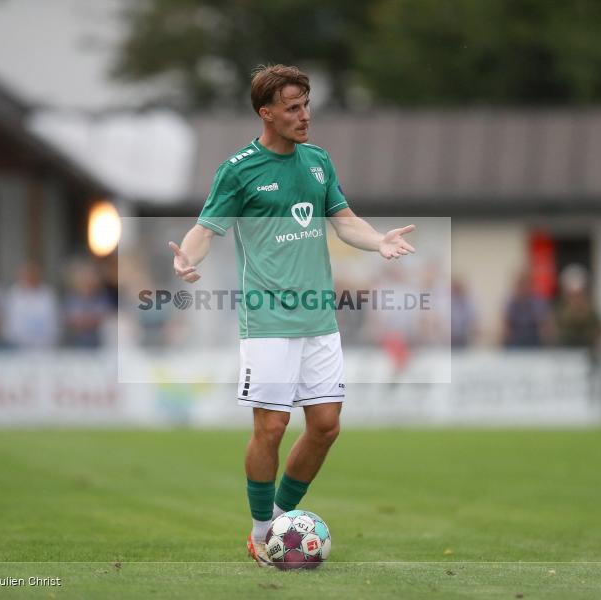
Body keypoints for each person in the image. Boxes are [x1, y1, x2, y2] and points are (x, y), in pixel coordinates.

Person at [167, 64, 415, 567]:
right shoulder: (238, 169)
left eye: (306, 105)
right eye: (293, 108)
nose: (304, 116)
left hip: (319, 320)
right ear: (267, 114)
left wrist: (378, 240)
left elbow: (344, 223)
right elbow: (206, 228)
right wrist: (186, 258)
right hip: (268, 320)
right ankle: (262, 533)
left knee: (326, 426)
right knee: (272, 427)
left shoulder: (318, 162)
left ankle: (281, 520)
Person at [2, 262, 60, 349]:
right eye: (27, 274)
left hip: (46, 346)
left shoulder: (48, 294)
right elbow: (8, 322)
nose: (30, 277)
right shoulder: (13, 295)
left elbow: (55, 321)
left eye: (33, 274)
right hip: (17, 347)